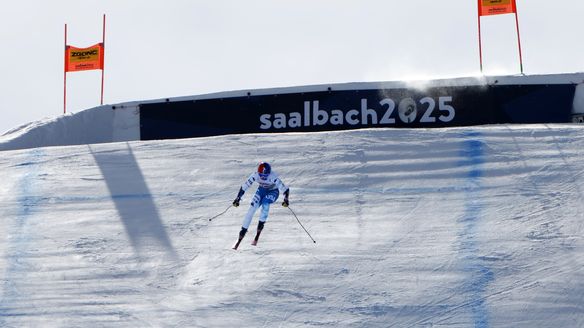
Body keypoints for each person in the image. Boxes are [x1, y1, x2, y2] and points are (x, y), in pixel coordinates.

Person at [232, 162, 289, 249]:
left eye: (265, 175)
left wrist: (286, 199)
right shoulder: (255, 175)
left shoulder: (273, 176)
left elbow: (285, 189)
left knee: (265, 203)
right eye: (261, 175)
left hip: (273, 191)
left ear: (269, 174)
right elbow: (244, 186)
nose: (262, 177)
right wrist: (238, 198)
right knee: (251, 209)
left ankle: (258, 234)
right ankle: (241, 234)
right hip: (261, 191)